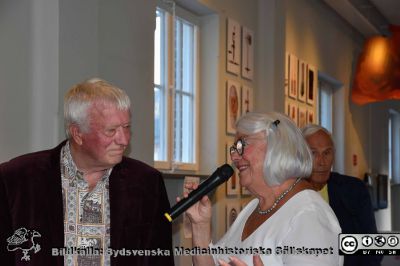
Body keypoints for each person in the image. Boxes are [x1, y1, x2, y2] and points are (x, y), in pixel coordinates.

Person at [0, 78, 174, 265]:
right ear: (77, 134)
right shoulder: (15, 180)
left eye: (126, 127)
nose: (124, 140)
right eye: (111, 130)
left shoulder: (147, 183)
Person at [183, 112, 342, 265]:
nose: (234, 156)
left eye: (242, 144)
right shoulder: (254, 207)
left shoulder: (309, 216)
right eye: (234, 148)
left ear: (277, 145)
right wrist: (200, 226)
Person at [302, 124, 382, 266]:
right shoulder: (289, 193)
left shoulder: (354, 190)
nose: (322, 162)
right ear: (300, 156)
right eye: (313, 153)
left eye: (327, 153)